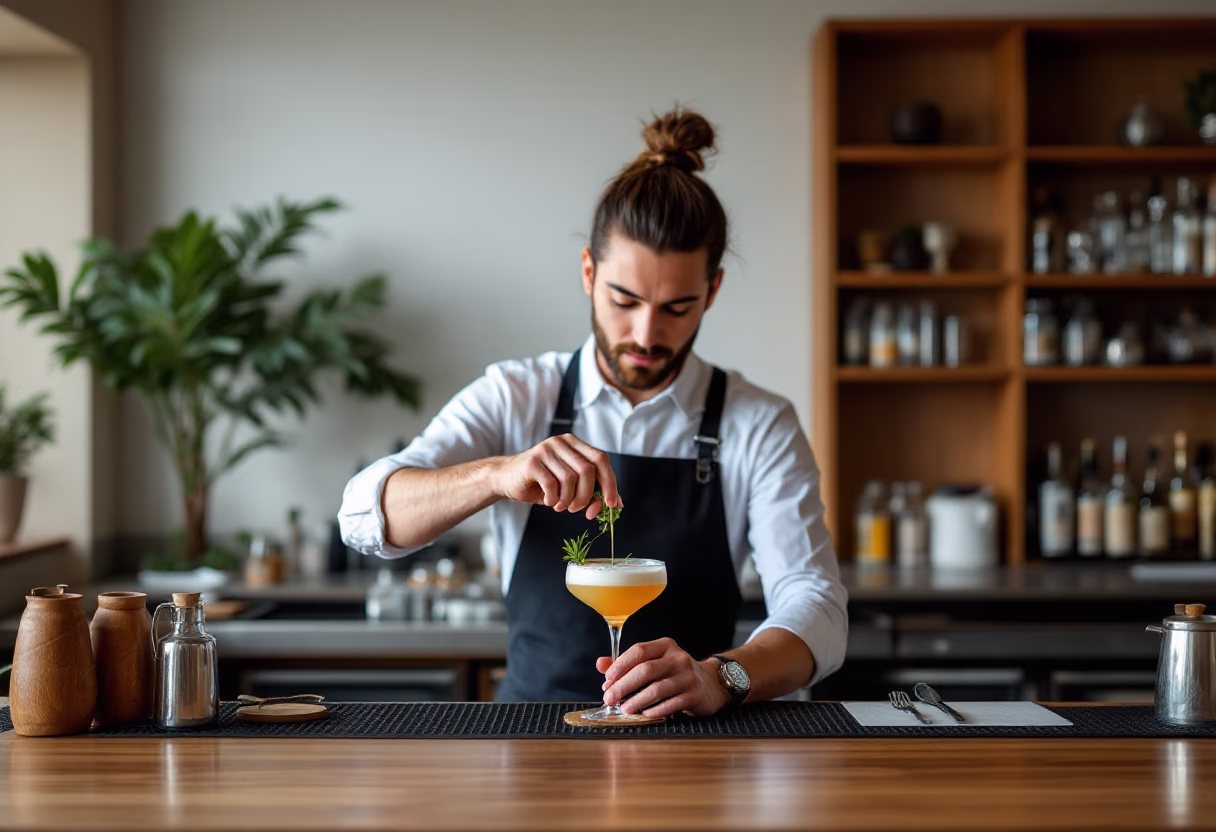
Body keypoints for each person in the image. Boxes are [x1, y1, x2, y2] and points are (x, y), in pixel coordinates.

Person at [339, 108, 847, 718]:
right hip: (529, 744)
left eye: (678, 307)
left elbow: (816, 605)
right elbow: (364, 515)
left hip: (699, 751)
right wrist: (496, 476)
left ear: (711, 290)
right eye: (624, 299)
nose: (646, 333)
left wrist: (722, 676)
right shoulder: (514, 395)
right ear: (588, 272)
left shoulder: (758, 423)